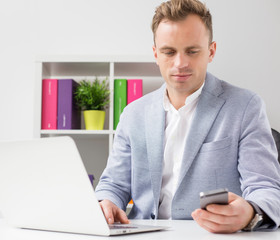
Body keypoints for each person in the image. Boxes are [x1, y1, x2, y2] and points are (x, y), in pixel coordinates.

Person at [95, 0, 280, 233]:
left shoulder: (246, 107)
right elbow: (113, 184)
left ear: (211, 51)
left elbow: (266, 188)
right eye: (169, 52)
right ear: (155, 54)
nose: (180, 63)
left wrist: (251, 213)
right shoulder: (134, 113)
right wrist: (106, 202)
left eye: (192, 51)